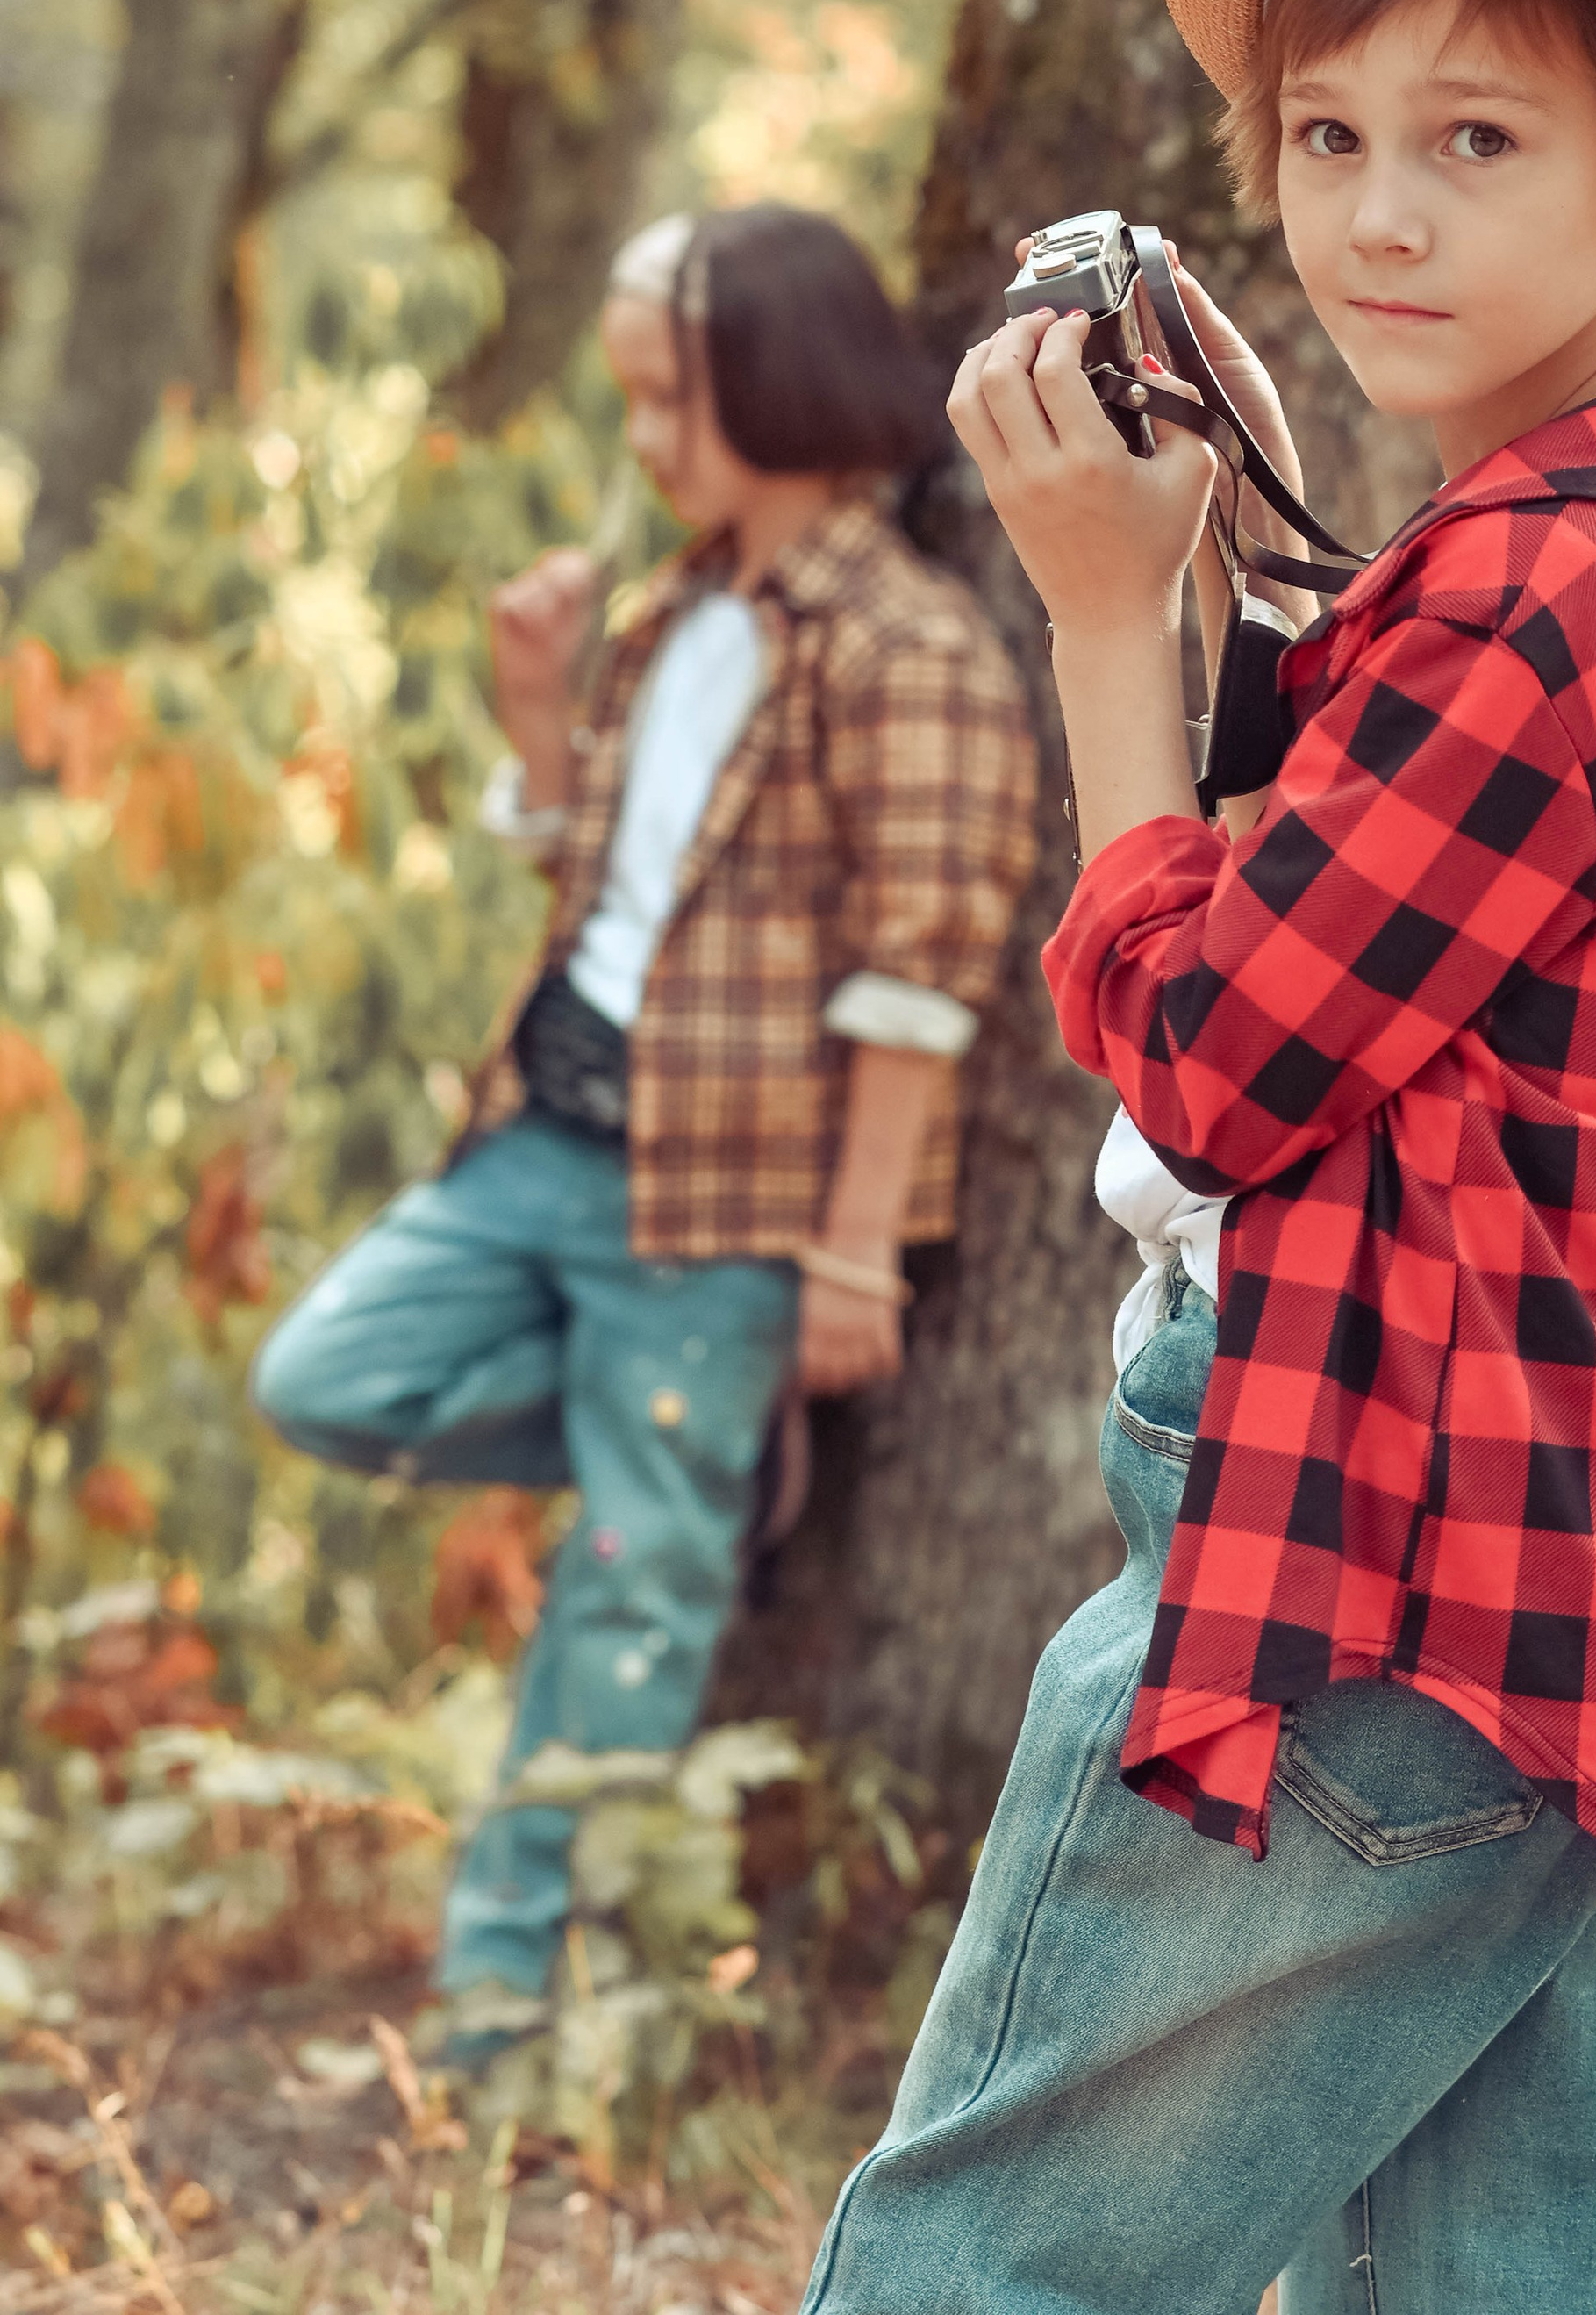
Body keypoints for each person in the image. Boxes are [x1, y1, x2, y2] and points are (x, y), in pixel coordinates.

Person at [804, 0, 1596, 2315]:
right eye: (1329, 137)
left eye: (1479, 144)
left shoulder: (1534, 589)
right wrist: (1265, 566)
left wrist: (1091, 617)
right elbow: (1415, 916)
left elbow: (1220, 1062)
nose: (1377, 217)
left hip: (1378, 1553)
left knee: (989, 2271)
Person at [253, 202, 1037, 2045]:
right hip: (543, 1140)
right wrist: (540, 721)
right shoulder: (668, 613)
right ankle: (673, 1463)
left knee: (621, 1623)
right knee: (325, 1380)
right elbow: (612, 880)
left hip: (726, 1208)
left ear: (773, 383)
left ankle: (502, 2011)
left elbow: (919, 976)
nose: (639, 440)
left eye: (666, 399)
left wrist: (844, 1254)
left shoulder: (904, 650)